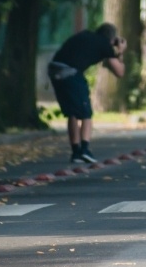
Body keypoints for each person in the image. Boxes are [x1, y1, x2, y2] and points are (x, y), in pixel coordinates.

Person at [47, 23, 126, 163]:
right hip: (70, 72)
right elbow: (119, 72)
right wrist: (120, 51)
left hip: (55, 69)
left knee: (71, 113)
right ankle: (85, 149)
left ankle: (76, 151)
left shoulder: (87, 36)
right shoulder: (104, 44)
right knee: (86, 113)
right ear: (111, 38)